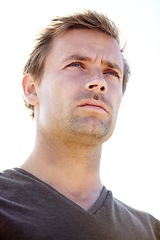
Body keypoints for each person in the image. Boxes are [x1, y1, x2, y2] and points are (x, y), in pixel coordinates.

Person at [0, 9, 159, 240]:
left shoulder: (150, 232)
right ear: (32, 89)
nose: (99, 82)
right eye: (76, 64)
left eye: (111, 72)